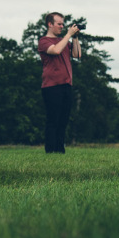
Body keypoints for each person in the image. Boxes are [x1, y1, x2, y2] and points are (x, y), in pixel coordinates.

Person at [37, 12, 81, 154]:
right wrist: (68, 35)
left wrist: (75, 38)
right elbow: (55, 50)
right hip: (51, 86)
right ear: (50, 24)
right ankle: (50, 151)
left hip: (66, 85)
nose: (62, 26)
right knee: (53, 120)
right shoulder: (44, 41)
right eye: (59, 24)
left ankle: (60, 150)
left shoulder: (64, 41)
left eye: (63, 24)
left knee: (63, 120)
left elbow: (76, 55)